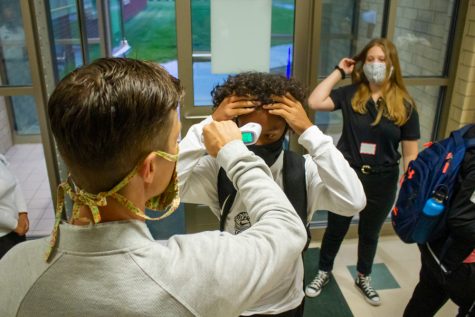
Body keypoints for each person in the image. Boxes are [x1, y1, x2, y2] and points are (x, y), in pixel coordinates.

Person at [0, 58, 309, 317]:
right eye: (176, 140)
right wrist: (234, 152)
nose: (180, 148)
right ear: (149, 168)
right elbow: (287, 230)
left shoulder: (16, 265)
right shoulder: (199, 270)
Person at [178, 72, 366, 316]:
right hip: (234, 301)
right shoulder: (218, 171)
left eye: (272, 134)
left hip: (286, 301)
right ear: (232, 128)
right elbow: (167, 188)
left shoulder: (303, 171)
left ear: (288, 129)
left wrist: (310, 132)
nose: (261, 144)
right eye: (249, 135)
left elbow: (353, 200)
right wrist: (207, 127)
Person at [305, 38, 420, 306]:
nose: (376, 64)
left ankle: (363, 276)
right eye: (370, 59)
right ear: (362, 63)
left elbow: (410, 152)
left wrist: (411, 185)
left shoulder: (405, 104)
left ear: (392, 65)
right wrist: (339, 70)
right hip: (348, 174)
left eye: (382, 60)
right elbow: (314, 101)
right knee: (336, 228)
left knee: (370, 232)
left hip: (384, 178)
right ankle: (324, 271)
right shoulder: (350, 93)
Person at [404, 125, 475, 317]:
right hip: (456, 258)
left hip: (434, 240)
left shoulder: (468, 133)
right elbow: (462, 220)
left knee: (426, 297)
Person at [0, 154, 29, 259]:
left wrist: (22, 213)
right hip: (3, 237)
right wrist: (15, 225)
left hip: (16, 230)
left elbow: (14, 181)